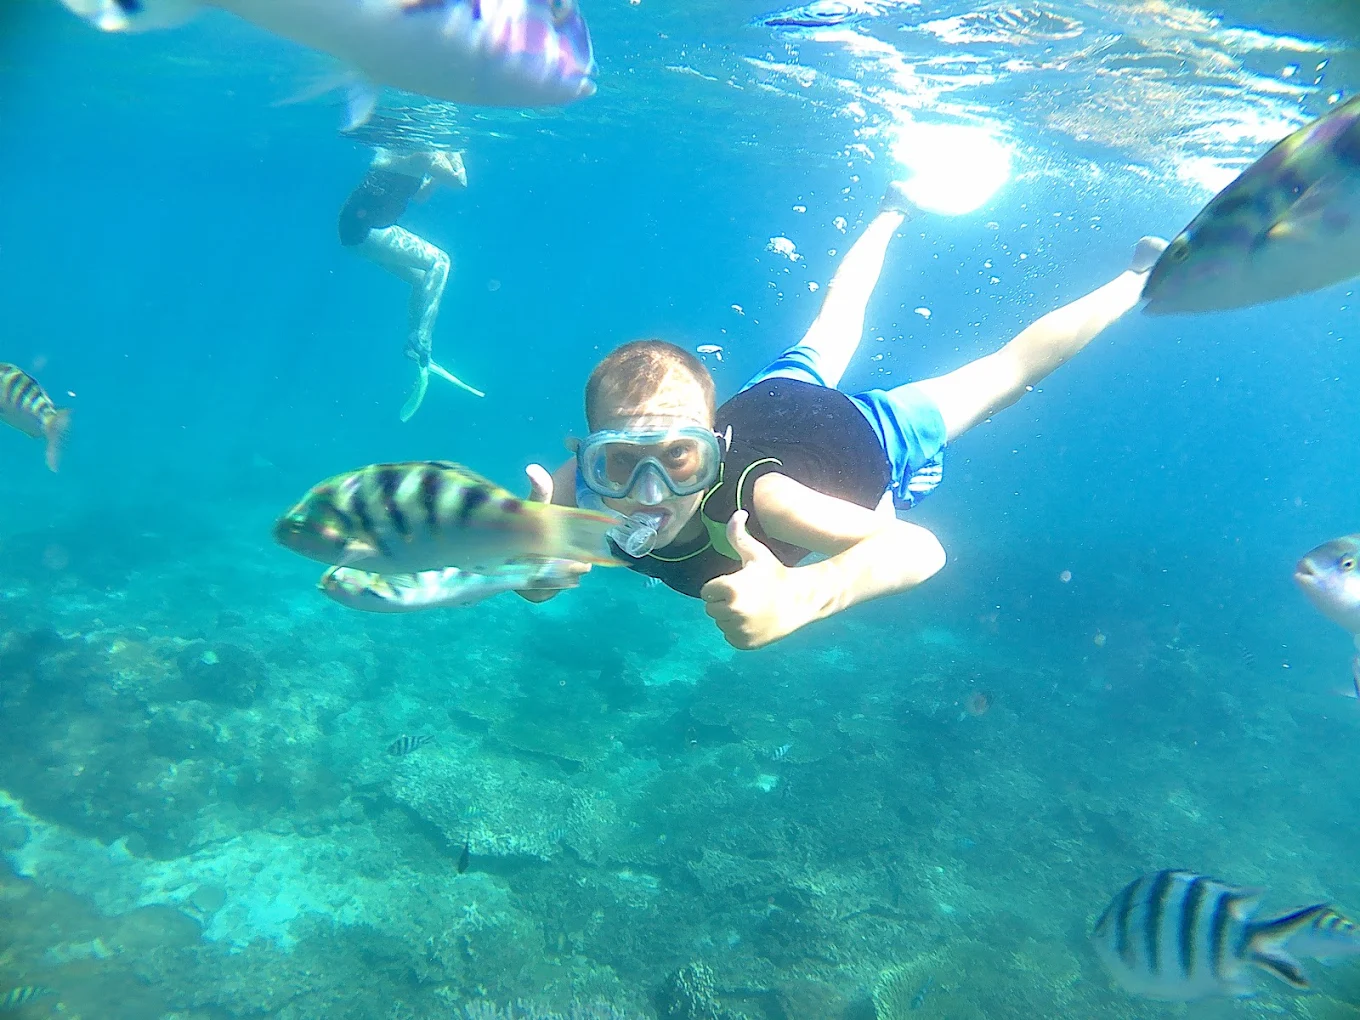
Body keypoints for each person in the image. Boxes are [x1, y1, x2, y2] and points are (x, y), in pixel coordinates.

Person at [520, 183, 1167, 649]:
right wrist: (525, 563)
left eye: (679, 456)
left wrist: (802, 599)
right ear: (587, 457)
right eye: (620, 462)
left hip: (873, 434)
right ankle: (894, 205)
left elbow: (921, 551)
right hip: (775, 394)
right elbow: (487, 544)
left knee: (1005, 373)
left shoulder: (759, 500)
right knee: (833, 320)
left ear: (716, 448)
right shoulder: (577, 495)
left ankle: (1137, 280)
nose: (650, 492)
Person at [338, 147, 484, 421]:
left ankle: (413, 341)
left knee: (421, 280)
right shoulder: (425, 154)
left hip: (356, 229)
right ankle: (422, 340)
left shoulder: (407, 154)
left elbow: (418, 196)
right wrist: (456, 154)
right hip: (369, 230)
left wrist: (438, 173)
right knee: (441, 261)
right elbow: (460, 182)